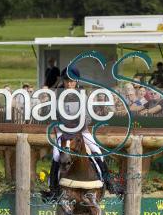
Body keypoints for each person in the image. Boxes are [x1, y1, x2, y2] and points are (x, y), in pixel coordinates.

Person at [45, 67, 122, 199]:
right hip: (62, 131)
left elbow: (88, 117)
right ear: (63, 81)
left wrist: (78, 122)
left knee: (97, 151)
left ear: (76, 82)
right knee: (57, 156)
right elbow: (52, 115)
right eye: (67, 81)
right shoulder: (56, 96)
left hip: (80, 130)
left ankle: (108, 182)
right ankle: (53, 189)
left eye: (72, 81)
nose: (69, 84)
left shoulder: (82, 95)